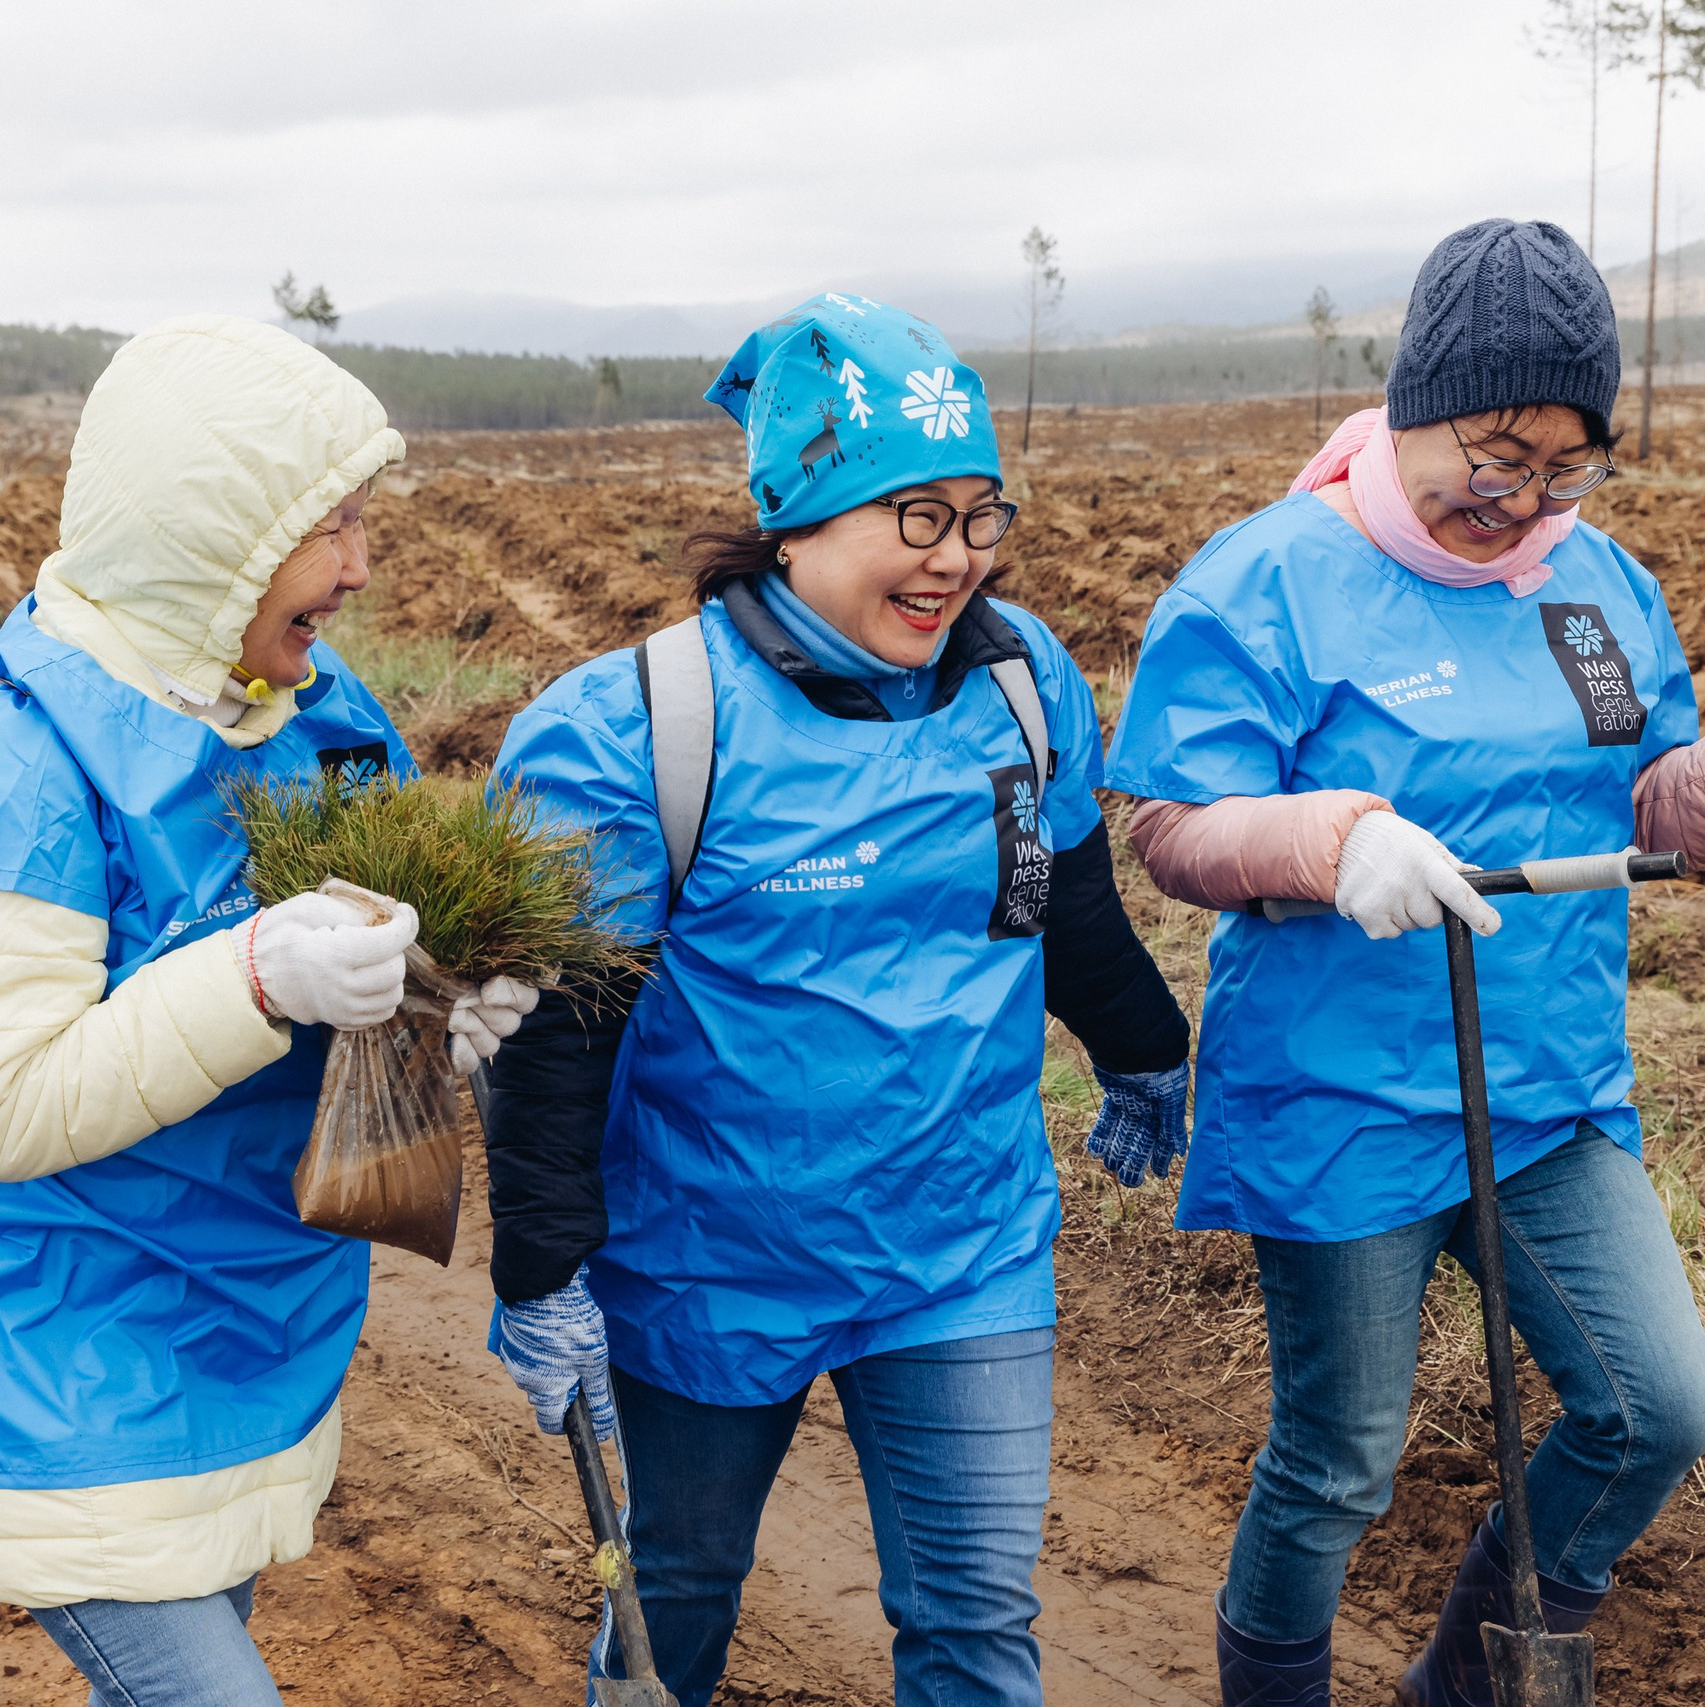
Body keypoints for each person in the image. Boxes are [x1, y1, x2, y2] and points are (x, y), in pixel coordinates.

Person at [1102, 220, 1705, 1707]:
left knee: (1656, 1402)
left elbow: (1653, 805)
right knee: (1339, 1461)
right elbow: (1173, 824)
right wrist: (1336, 842)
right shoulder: (1266, 581)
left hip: (1544, 1088)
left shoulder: (1594, 586)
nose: (1524, 497)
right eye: (1495, 453)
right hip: (1341, 1095)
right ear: (1415, 407)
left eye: (1566, 463)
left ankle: (1457, 1688)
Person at [483, 295, 1192, 1707]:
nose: (957, 559)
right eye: (914, 517)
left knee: (976, 1620)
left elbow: (1059, 896)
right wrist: (542, 1260)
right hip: (708, 1258)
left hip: (960, 1244)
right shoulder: (639, 728)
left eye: (983, 515)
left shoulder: (1020, 679)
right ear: (796, 520)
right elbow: (563, 1035)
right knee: (675, 1590)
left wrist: (1148, 1051)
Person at [0, 314, 539, 1707]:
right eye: (327, 523)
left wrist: (434, 1001)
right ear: (208, 530)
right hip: (60, 1350)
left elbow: (372, 939)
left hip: (248, 1322)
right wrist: (260, 974)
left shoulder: (307, 716)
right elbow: (8, 1105)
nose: (359, 564)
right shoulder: (9, 764)